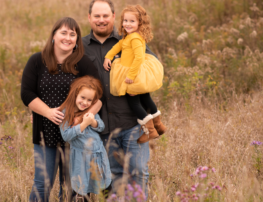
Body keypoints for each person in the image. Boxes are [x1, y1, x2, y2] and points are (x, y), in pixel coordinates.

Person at [82, 0, 163, 198]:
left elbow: (154, 69)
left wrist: (138, 85)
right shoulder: (81, 47)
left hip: (131, 123)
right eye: (97, 16)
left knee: (138, 172)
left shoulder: (131, 40)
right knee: (112, 176)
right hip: (101, 127)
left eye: (105, 16)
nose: (101, 20)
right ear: (89, 18)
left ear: (113, 16)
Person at [21, 17, 101, 202]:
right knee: (43, 184)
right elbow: (27, 93)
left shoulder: (83, 63)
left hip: (76, 136)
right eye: (63, 33)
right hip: (45, 133)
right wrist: (48, 112)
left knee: (74, 186)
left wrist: (83, 118)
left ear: (77, 40)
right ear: (53, 36)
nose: (68, 38)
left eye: (73, 34)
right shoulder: (37, 61)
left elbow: (99, 97)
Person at [103, 5, 166, 143]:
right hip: (135, 71)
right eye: (125, 20)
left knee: (134, 102)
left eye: (132, 21)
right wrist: (108, 56)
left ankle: (150, 131)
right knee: (146, 98)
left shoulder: (135, 38)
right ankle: (159, 125)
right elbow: (117, 46)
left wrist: (130, 77)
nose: (127, 24)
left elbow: (138, 58)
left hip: (134, 73)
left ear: (140, 23)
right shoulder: (128, 37)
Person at [59, 76, 111, 202]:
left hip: (98, 155)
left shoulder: (91, 111)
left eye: (89, 100)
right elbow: (66, 136)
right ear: (76, 94)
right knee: (82, 187)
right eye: (82, 97)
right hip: (80, 157)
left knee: (104, 186)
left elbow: (101, 126)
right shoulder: (65, 113)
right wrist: (83, 124)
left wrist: (92, 121)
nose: (85, 102)